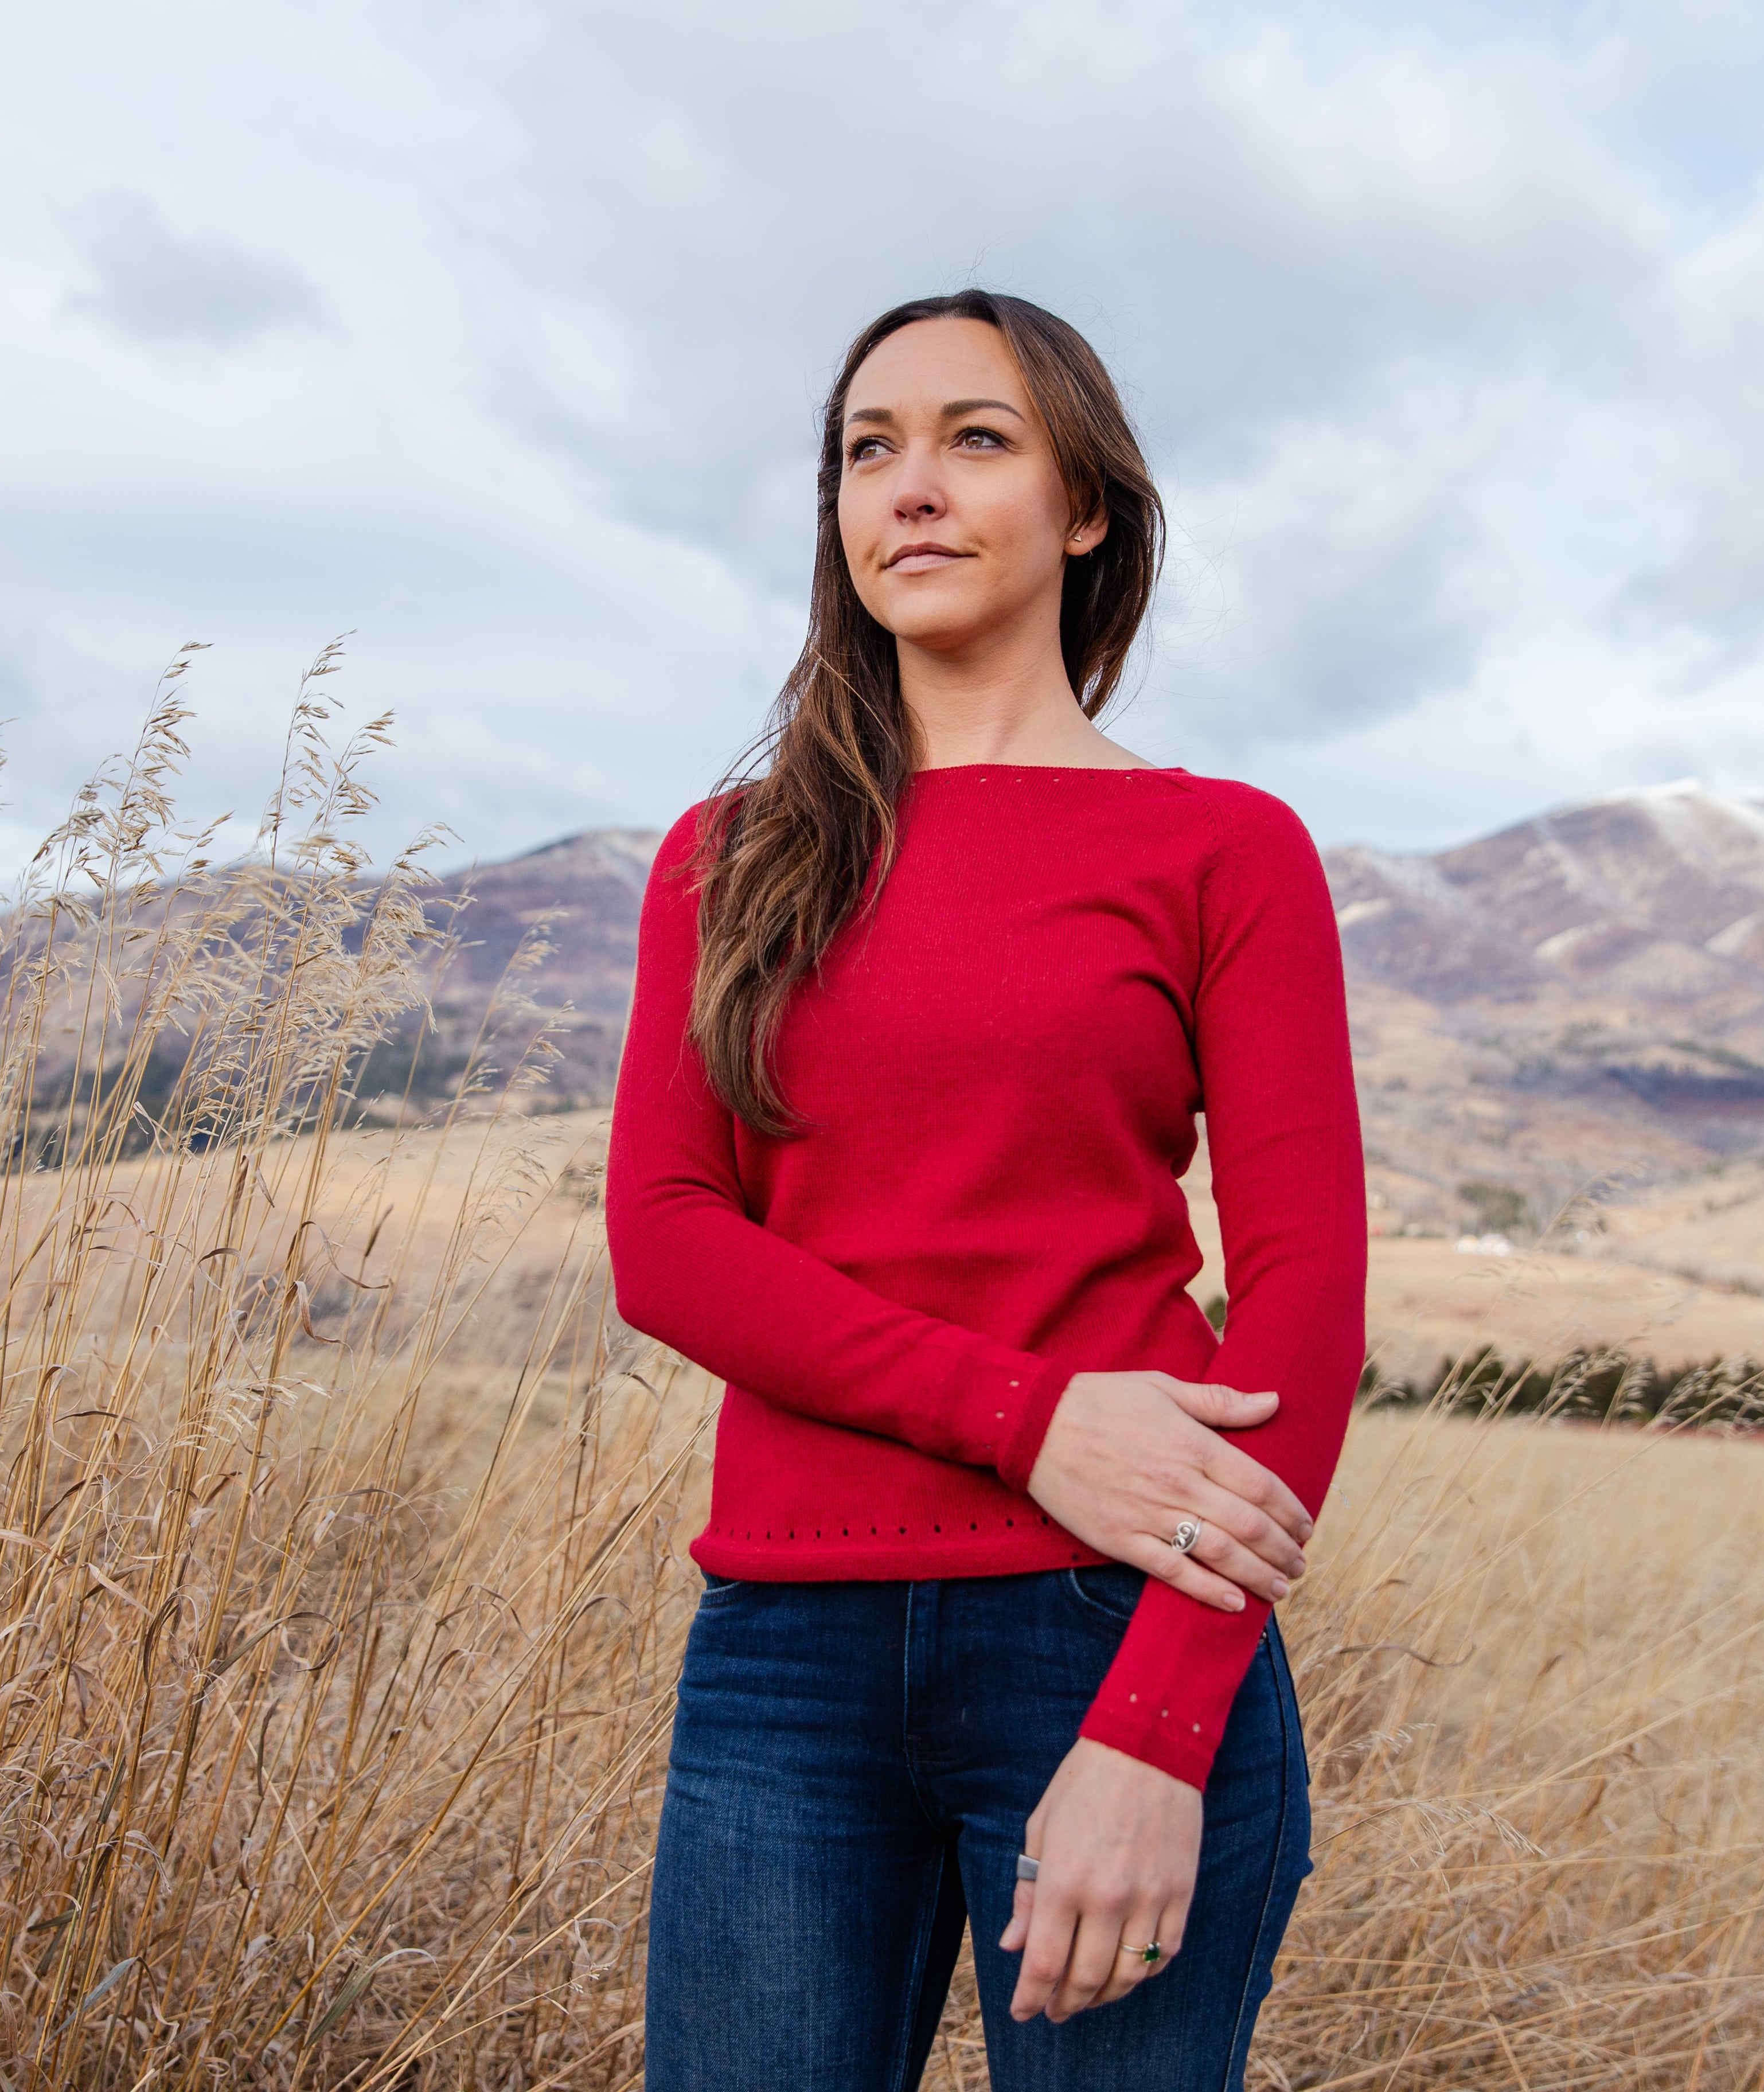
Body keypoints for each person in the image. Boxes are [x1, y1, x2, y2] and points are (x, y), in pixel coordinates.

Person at [606, 289, 1365, 2092]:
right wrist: (1026, 1420)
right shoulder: (735, 858)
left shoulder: (1220, 849)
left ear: (1085, 508)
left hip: (1107, 1628)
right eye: (870, 450)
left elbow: (1308, 1312)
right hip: (781, 1658)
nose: (911, 488)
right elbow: (669, 1244)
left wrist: (1162, 1736)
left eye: (976, 439)